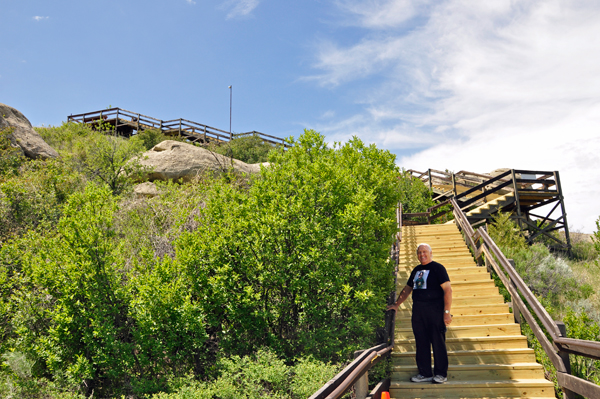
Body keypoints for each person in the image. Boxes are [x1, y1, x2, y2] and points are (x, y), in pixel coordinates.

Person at [387, 243, 453, 384]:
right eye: (419, 252)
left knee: (438, 343)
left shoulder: (438, 268)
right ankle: (425, 373)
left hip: (435, 311)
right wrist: (396, 304)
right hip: (418, 312)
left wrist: (446, 312)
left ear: (430, 253)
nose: (422, 255)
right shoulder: (416, 270)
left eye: (424, 252)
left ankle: (441, 374)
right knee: (421, 343)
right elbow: (408, 288)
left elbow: (448, 290)